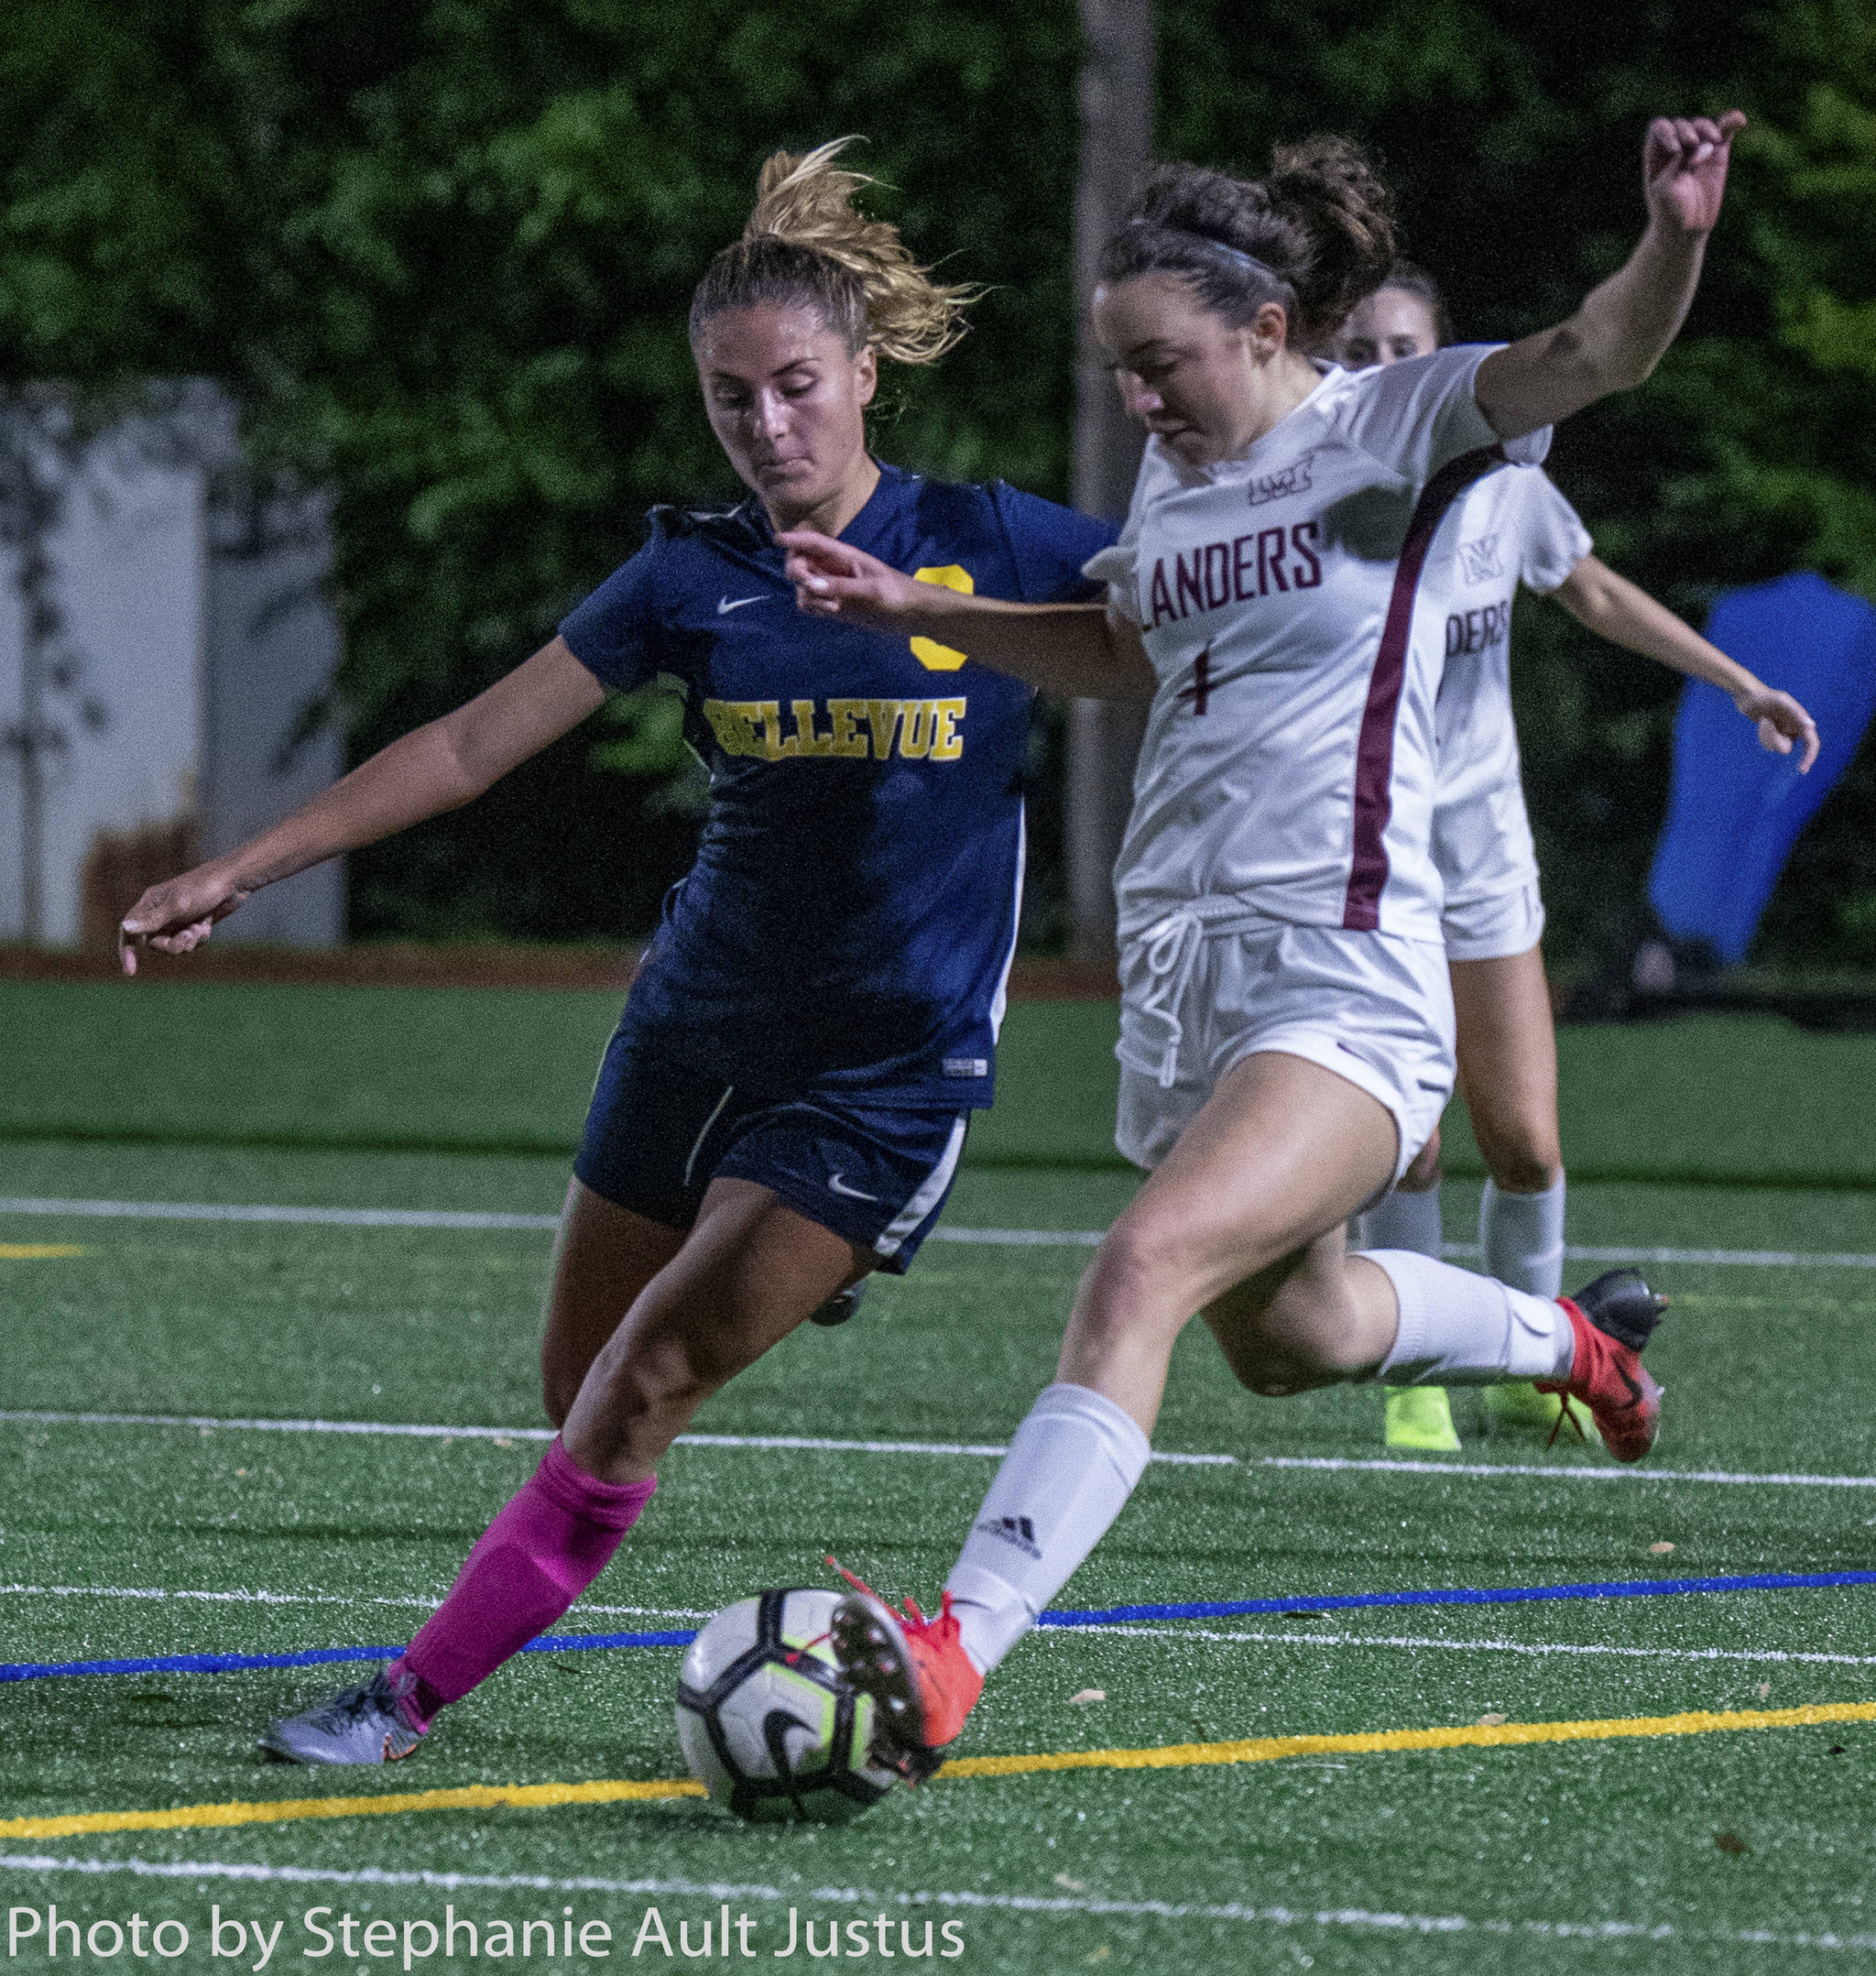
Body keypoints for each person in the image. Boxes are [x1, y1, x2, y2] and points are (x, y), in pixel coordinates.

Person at [115, 139, 1116, 1764]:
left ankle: (405, 1694)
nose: (770, 428)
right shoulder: (692, 573)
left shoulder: (995, 544)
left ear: (868, 376)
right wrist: (245, 862)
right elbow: (465, 745)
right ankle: (778, 1262)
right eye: (734, 399)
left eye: (798, 387)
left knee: (644, 1378)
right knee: (579, 1388)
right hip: (692, 1029)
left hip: (883, 1072)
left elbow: (1196, 618)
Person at [780, 113, 1746, 1779]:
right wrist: (916, 609)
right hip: (1184, 982)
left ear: (1270, 330)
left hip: (1348, 973)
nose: (1135, 402)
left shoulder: (1403, 427)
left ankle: (953, 1653)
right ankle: (1569, 1344)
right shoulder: (1176, 479)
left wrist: (1676, 233)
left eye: (1161, 364)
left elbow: (1603, 348)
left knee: (1140, 1268)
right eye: (1118, 373)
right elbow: (1119, 652)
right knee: (1289, 1338)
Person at [1334, 267, 1818, 1456]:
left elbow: (1590, 585)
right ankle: (1413, 1377)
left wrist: (1740, 681)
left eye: (1407, 342)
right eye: (1360, 346)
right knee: (1413, 1132)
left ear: (1446, 356)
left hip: (1485, 847)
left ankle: (1527, 1368)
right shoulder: (1334, 500)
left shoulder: (1508, 483)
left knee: (1528, 1141)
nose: (1385, 364)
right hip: (1373, 854)